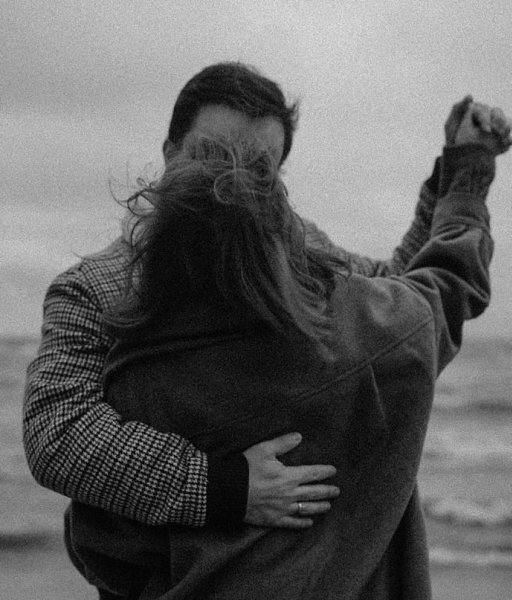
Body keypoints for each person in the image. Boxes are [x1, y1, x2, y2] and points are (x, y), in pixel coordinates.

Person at [64, 97, 509, 599]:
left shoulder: (130, 384)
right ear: (282, 230)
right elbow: (445, 282)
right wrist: (468, 172)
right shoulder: (372, 333)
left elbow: (97, 547)